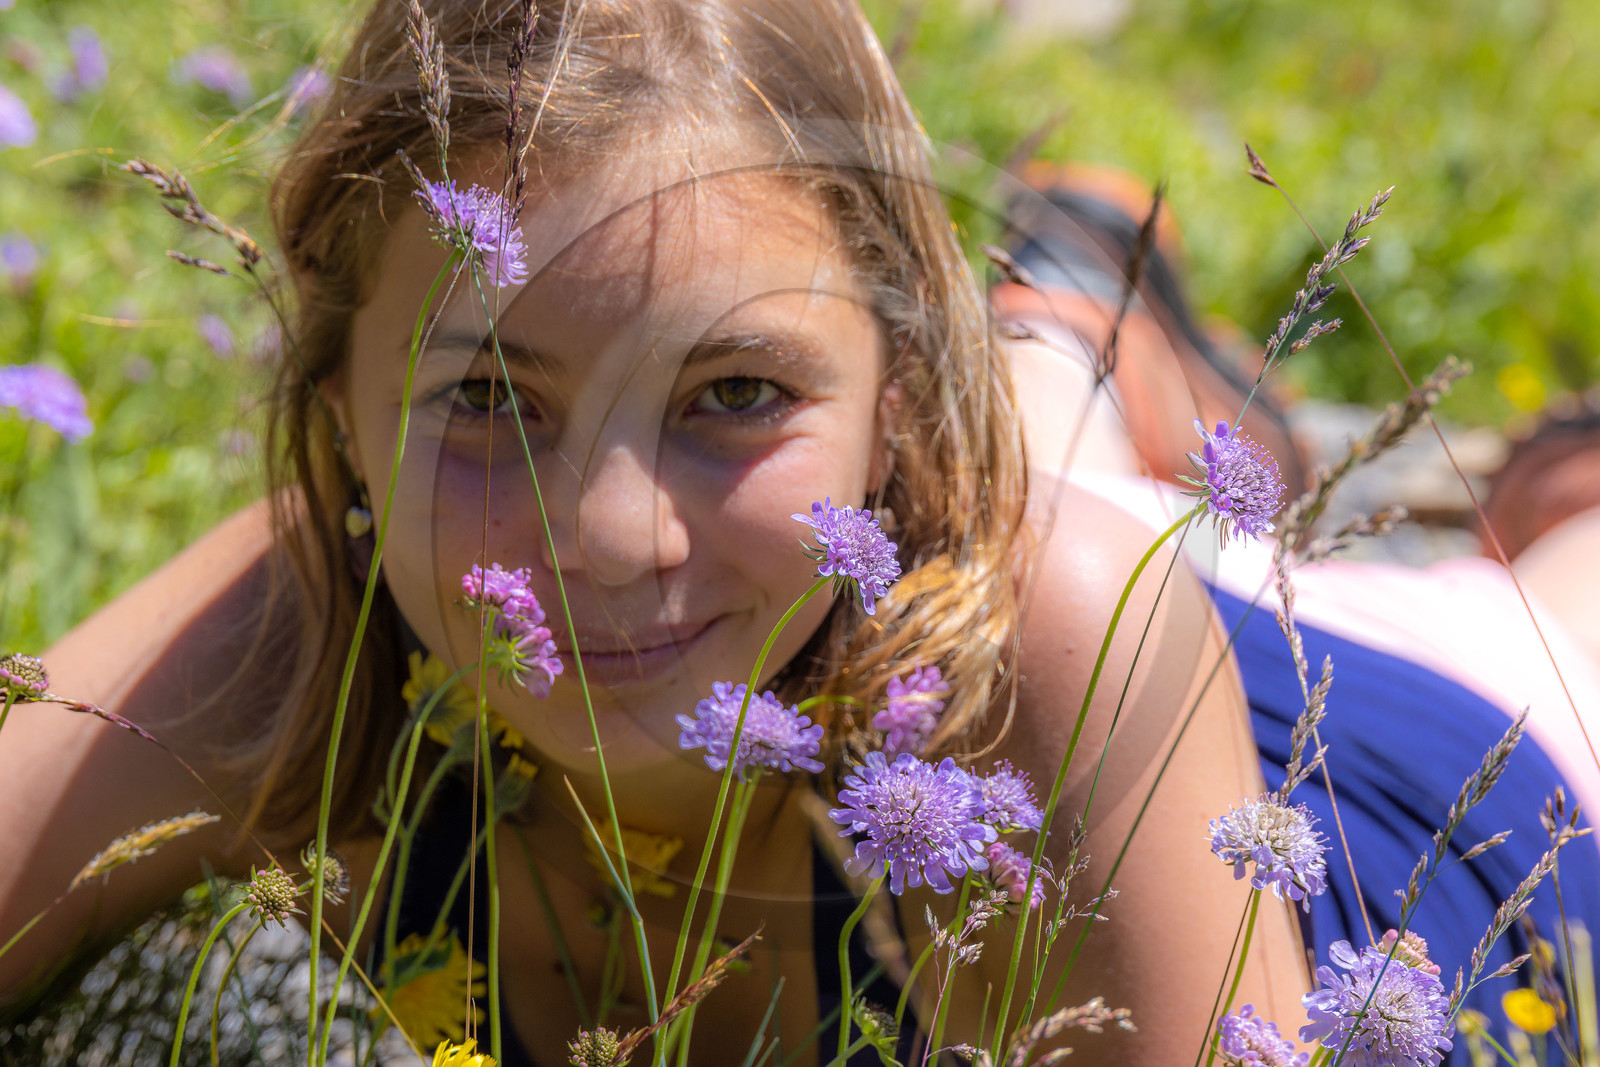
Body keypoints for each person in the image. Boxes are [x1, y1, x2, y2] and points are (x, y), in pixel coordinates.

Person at [0, 2, 1590, 1065]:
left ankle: (1076, 301)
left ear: (902, 391)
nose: (609, 539)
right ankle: (1072, 296)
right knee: (953, 478)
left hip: (1375, 780)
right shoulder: (317, 616)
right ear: (338, 403)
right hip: (870, 554)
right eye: (490, 397)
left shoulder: (1062, 655)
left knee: (1558, 567)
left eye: (733, 388)